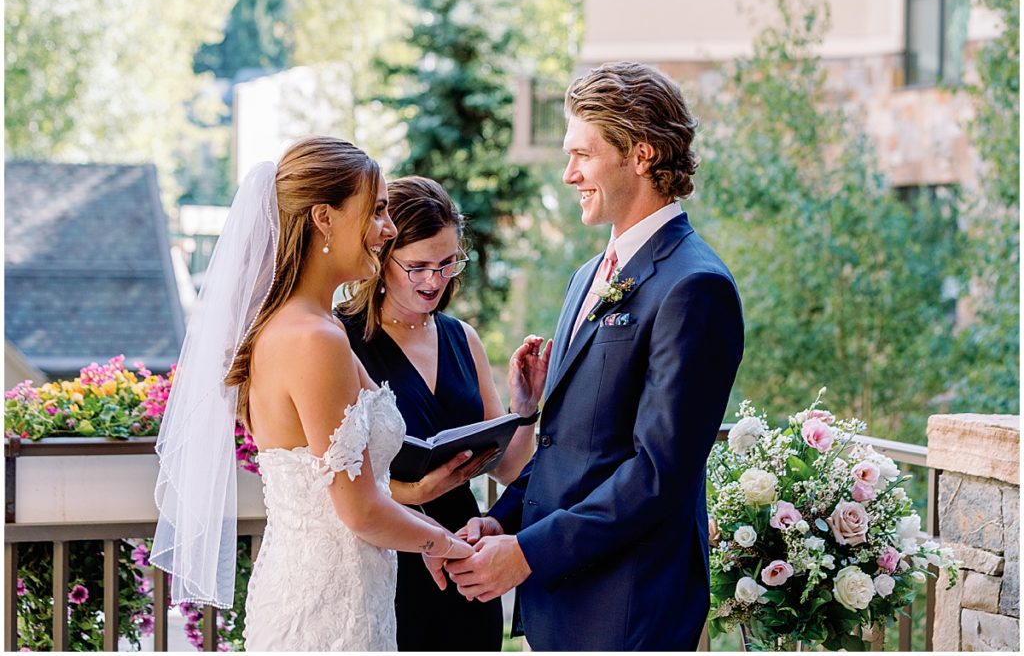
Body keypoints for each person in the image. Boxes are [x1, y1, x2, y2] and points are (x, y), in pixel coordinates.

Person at [446, 62, 745, 650]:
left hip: (628, 609)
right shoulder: (588, 277)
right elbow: (574, 445)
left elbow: (657, 474)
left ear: (641, 154)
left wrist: (527, 553)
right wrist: (503, 519)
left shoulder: (695, 287)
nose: (568, 174)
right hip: (564, 603)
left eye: (583, 155)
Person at [152, 136, 474, 652]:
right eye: (377, 212)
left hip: (341, 588)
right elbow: (359, 510)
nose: (387, 231)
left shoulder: (304, 326)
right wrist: (446, 544)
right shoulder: (313, 339)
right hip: (329, 610)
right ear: (325, 219)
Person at [337, 175, 550, 650]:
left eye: (447, 263)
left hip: (463, 557)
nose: (434, 281)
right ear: (381, 256)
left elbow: (509, 466)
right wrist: (415, 492)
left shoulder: (462, 338)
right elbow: (326, 474)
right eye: (417, 267)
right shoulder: (340, 341)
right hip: (382, 557)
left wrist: (524, 406)